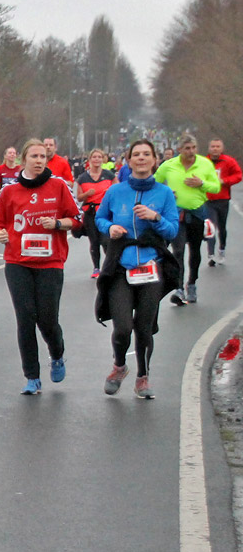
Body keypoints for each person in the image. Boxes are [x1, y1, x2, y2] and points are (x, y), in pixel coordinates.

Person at [0, 138, 81, 394]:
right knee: (26, 318)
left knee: (47, 319)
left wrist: (59, 224)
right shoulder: (9, 191)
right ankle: (32, 376)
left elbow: (77, 219)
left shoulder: (59, 186)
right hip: (18, 262)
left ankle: (57, 353)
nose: (39, 161)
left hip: (50, 262)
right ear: (23, 160)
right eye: (34, 157)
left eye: (43, 157)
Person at [94, 139, 179, 400]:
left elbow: (172, 230)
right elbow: (100, 218)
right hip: (121, 267)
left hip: (151, 268)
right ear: (128, 161)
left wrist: (155, 218)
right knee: (122, 328)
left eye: (146, 155)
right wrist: (110, 228)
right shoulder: (115, 191)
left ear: (154, 161)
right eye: (136, 155)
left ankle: (143, 377)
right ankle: (119, 366)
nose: (141, 158)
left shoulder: (164, 194)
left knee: (144, 327)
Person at [155, 134, 220, 305]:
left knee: (195, 251)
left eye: (193, 148)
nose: (191, 152)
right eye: (187, 149)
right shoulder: (169, 165)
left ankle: (192, 283)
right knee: (178, 251)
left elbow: (216, 187)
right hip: (176, 214)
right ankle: (178, 288)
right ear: (179, 150)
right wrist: (166, 193)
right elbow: (155, 184)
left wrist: (201, 184)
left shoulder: (204, 164)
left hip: (197, 213)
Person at [74, 148, 116, 278]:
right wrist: (87, 194)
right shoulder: (83, 178)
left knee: (106, 240)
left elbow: (118, 192)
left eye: (99, 157)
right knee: (94, 241)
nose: (97, 159)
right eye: (94, 157)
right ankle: (96, 268)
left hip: (105, 212)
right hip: (90, 213)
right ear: (90, 160)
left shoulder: (109, 175)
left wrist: (110, 194)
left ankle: (109, 266)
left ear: (103, 159)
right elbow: (79, 198)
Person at [206, 139, 242, 266]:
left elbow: (238, 175)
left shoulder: (229, 161)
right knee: (211, 227)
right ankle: (211, 254)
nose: (215, 148)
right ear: (209, 148)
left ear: (222, 148)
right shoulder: (203, 162)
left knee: (222, 227)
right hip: (208, 201)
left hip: (223, 199)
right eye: (213, 146)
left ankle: (221, 249)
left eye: (217, 146)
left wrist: (224, 181)